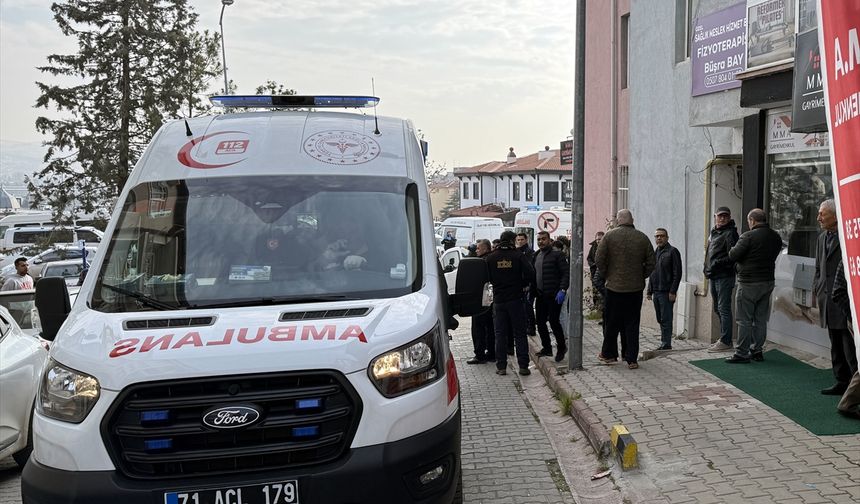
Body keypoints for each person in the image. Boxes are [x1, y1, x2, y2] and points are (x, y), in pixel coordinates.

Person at [595, 209, 655, 369]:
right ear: (632, 220)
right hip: (635, 289)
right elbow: (651, 262)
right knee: (632, 324)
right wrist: (642, 275)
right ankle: (631, 359)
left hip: (614, 288)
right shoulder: (642, 237)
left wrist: (607, 274)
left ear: (618, 220)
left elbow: (599, 259)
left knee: (611, 323)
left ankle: (609, 354)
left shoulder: (609, 236)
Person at [725, 208, 783, 364]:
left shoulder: (748, 236)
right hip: (767, 281)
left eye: (749, 221)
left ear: (752, 221)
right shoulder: (775, 236)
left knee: (744, 320)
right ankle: (757, 351)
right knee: (760, 319)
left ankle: (741, 353)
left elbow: (732, 255)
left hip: (749, 282)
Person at [813, 199, 857, 394]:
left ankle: (854, 388)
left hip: (844, 300)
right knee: (835, 345)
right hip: (827, 298)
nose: (818, 218)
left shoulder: (847, 236)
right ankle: (841, 381)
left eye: (822, 214)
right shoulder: (822, 238)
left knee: (849, 348)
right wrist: (817, 286)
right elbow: (818, 267)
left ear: (835, 215)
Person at [486, 230, 536, 376]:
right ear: (512, 240)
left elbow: (486, 278)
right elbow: (531, 274)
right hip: (516, 299)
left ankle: (501, 367)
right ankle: (523, 366)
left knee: (500, 334)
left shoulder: (491, 258)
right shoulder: (518, 256)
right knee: (519, 334)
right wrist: (523, 284)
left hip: (499, 301)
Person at [705, 207, 740, 352]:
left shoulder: (730, 233)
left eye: (725, 216)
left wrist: (716, 264)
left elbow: (733, 256)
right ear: (715, 217)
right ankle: (723, 338)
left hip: (724, 276)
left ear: (729, 217)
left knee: (723, 308)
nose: (722, 219)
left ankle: (726, 341)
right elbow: (709, 253)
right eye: (720, 216)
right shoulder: (714, 232)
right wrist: (706, 267)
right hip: (714, 275)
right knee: (717, 308)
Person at [532, 231, 570, 362]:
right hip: (540, 295)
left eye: (543, 239)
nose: (540, 242)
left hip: (554, 295)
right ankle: (547, 348)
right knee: (540, 322)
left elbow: (566, 273)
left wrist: (563, 289)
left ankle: (561, 347)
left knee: (554, 322)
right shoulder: (536, 255)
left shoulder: (557, 255)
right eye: (539, 240)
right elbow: (533, 275)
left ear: (549, 240)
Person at [646, 228, 682, 350]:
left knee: (666, 318)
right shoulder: (655, 252)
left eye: (662, 236)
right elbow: (652, 272)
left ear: (667, 237)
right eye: (657, 236)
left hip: (666, 292)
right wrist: (649, 291)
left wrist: (673, 291)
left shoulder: (672, 252)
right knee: (660, 318)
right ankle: (664, 341)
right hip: (656, 291)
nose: (659, 238)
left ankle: (666, 344)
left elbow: (678, 273)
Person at [832, 261, 860, 418]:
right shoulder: (849, 256)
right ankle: (847, 403)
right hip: (856, 318)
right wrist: (854, 317)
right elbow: (838, 292)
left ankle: (847, 403)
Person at [467, 239, 495, 364]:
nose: (476, 250)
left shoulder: (481, 262)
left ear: (485, 249)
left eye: (478, 248)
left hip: (481, 297)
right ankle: (491, 353)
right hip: (491, 296)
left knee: (478, 327)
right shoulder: (493, 259)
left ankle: (479, 354)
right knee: (490, 326)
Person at [515, 232, 537, 336]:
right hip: (520, 285)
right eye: (518, 240)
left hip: (528, 284)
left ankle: (531, 327)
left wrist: (528, 284)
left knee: (528, 306)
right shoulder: (516, 252)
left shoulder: (530, 252)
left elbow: (530, 269)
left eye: (522, 240)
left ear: (526, 240)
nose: (520, 242)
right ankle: (527, 325)